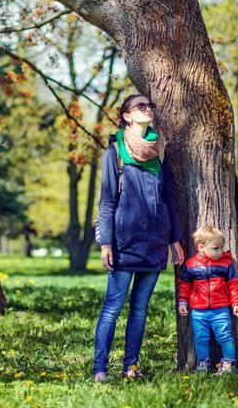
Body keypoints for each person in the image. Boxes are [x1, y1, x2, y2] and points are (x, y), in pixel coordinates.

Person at [92, 94, 185, 382]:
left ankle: (130, 366)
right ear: (127, 116)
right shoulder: (115, 153)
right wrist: (105, 243)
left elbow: (168, 199)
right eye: (140, 107)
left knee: (140, 308)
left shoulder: (159, 153)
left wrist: (174, 239)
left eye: (149, 106)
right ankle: (100, 369)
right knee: (113, 306)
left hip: (155, 241)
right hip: (124, 243)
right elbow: (107, 201)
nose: (147, 110)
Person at [177, 225, 238, 374]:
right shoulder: (191, 265)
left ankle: (228, 363)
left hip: (220, 310)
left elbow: (234, 285)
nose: (220, 252)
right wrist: (182, 301)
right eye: (215, 248)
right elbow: (185, 285)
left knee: (225, 336)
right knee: (200, 338)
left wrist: (237, 303)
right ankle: (203, 362)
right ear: (201, 247)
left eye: (221, 248)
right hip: (198, 311)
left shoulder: (226, 264)